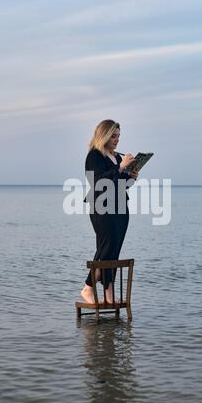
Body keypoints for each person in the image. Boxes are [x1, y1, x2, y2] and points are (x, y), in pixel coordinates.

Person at [81, 119, 139, 304]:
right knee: (105, 248)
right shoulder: (94, 156)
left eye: (118, 136)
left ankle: (108, 291)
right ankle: (88, 287)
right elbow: (99, 182)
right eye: (113, 136)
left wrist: (131, 177)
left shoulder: (117, 156)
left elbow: (121, 185)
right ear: (104, 135)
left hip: (120, 206)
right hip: (101, 207)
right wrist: (121, 167)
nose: (117, 140)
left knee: (114, 250)